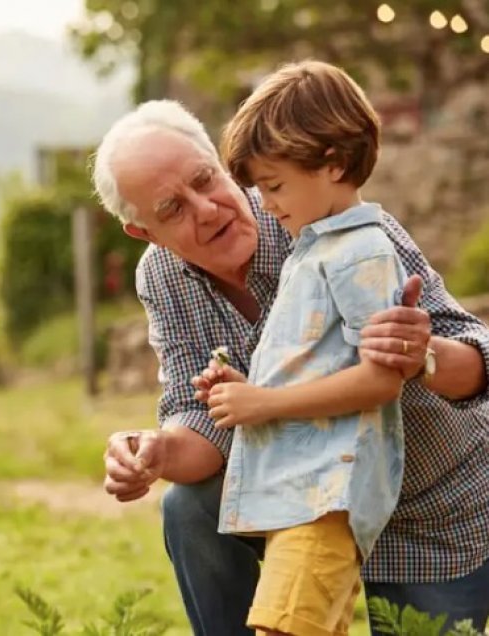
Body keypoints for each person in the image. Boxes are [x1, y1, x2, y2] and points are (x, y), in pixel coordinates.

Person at [92, 95, 489, 635]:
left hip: (426, 504)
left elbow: (475, 353)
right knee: (188, 508)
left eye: (206, 180)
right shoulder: (161, 276)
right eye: (172, 210)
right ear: (144, 232)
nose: (206, 209)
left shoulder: (327, 215)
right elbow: (201, 417)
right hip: (301, 498)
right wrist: (158, 451)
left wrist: (424, 356)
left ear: (220, 160)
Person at [191, 60, 408, 635]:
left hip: (325, 497)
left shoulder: (362, 252)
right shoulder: (311, 250)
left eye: (275, 185)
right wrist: (243, 389)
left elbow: (382, 379)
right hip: (298, 495)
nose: (265, 203)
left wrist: (262, 405)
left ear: (333, 163)